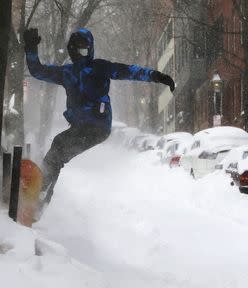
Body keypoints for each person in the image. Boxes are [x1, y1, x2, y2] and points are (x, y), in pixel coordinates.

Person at [24, 27, 175, 205]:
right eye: (77, 50)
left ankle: (39, 195)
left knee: (58, 147)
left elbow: (130, 71)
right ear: (71, 50)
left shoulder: (100, 68)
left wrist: (157, 76)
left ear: (90, 50)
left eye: (84, 50)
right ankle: (39, 193)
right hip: (80, 127)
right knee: (57, 151)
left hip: (98, 126)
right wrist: (31, 48)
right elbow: (38, 71)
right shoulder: (67, 73)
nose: (81, 54)